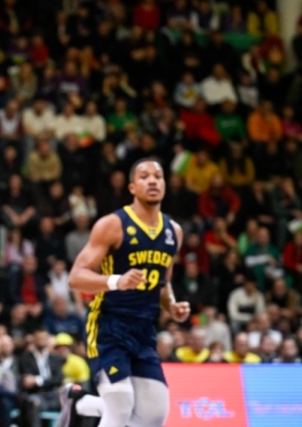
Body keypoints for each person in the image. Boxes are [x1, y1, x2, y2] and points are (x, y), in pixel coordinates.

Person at [59, 159, 191, 427]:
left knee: (153, 416)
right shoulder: (113, 224)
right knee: (120, 405)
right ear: (132, 187)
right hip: (109, 325)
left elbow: (163, 283)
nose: (152, 181)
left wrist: (172, 305)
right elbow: (76, 278)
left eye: (158, 176)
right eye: (144, 176)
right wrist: (117, 281)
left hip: (143, 331)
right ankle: (81, 403)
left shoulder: (173, 231)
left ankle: (78, 402)